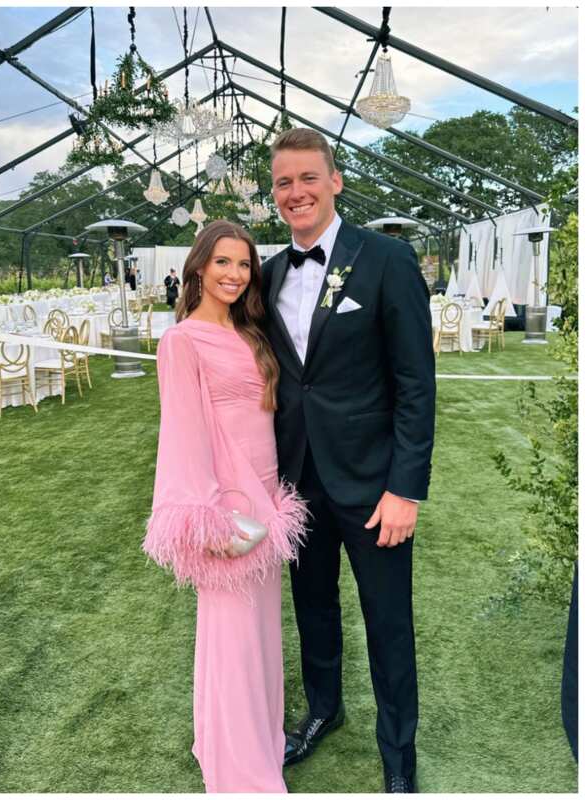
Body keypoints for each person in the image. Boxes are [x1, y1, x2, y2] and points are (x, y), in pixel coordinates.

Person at [262, 128, 435, 793]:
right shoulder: (270, 272)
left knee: (389, 623)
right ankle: (323, 710)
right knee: (313, 610)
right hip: (300, 481)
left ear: (335, 181)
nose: (296, 192)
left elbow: (416, 383)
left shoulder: (387, 259)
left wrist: (405, 490)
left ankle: (399, 757)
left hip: (372, 485)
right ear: (274, 194)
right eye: (283, 182)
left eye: (308, 178)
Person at [143, 219, 308, 792]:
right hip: (228, 508)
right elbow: (184, 434)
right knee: (233, 637)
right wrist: (207, 515)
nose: (234, 275)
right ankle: (238, 765)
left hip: (266, 500)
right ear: (198, 268)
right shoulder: (181, 341)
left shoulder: (250, 333)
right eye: (223, 263)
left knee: (260, 634)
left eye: (243, 265)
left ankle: (256, 738)